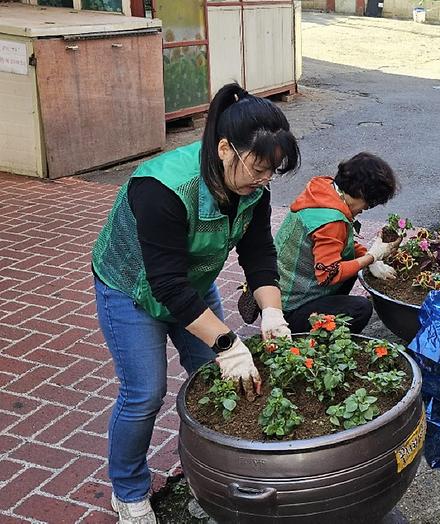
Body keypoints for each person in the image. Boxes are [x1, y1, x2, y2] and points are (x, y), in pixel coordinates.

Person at [92, 83, 300, 523]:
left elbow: (259, 254)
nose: (265, 181)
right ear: (226, 149)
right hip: (130, 287)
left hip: (190, 281)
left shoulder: (253, 190)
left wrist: (273, 311)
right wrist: (228, 343)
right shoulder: (163, 187)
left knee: (217, 378)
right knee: (145, 392)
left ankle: (213, 474)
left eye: (272, 172)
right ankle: (127, 491)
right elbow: (163, 284)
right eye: (260, 169)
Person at [274, 152, 400, 334]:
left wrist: (367, 255)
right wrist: (372, 257)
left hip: (275, 297)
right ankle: (314, 340)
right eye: (370, 203)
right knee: (360, 309)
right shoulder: (331, 221)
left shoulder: (323, 191)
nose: (366, 209)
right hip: (289, 311)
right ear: (361, 192)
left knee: (351, 267)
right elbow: (328, 275)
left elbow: (338, 245)